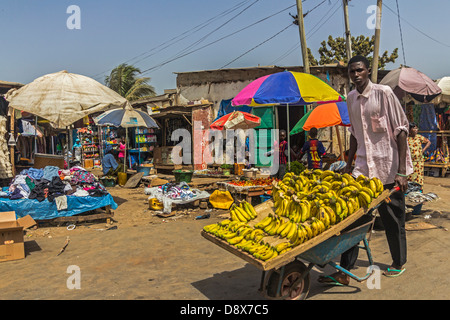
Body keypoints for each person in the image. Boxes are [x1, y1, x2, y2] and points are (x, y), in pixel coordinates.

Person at [318, 55, 413, 285]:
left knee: (392, 218)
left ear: (368, 71)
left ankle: (398, 262)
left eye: (359, 70)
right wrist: (348, 166)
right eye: (352, 72)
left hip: (388, 168)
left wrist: (401, 171)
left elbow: (401, 130)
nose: (356, 75)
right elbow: (354, 135)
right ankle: (346, 271)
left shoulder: (384, 93)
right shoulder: (350, 98)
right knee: (354, 220)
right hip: (362, 169)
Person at [407, 122, 431, 187]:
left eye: (417, 128)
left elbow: (428, 142)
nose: (416, 129)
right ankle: (411, 191)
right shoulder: (407, 139)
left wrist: (423, 150)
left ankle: (419, 191)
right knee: (410, 177)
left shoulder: (419, 137)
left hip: (419, 162)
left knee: (419, 178)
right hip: (410, 162)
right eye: (414, 128)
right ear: (409, 130)